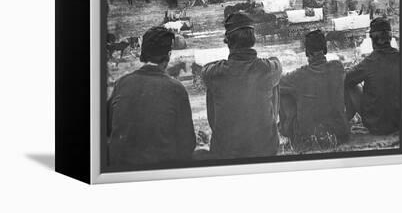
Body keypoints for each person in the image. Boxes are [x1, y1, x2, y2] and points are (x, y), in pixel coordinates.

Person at [107, 27, 196, 169]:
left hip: (119, 168)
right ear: (168, 54)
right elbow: (188, 143)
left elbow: (108, 129)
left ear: (144, 52)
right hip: (159, 170)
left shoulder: (122, 83)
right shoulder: (176, 89)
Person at [201, 12, 281, 159]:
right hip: (265, 149)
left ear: (228, 41)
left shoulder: (214, 72)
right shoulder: (268, 68)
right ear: (253, 39)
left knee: (214, 87)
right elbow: (276, 62)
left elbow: (204, 70)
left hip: (226, 151)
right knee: (274, 82)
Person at [279, 29, 349, 150]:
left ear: (306, 52)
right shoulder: (338, 67)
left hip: (310, 137)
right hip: (340, 134)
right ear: (325, 49)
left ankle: (285, 129)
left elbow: (277, 84)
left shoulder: (298, 76)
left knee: (285, 94)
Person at [345, 17, 400, 135]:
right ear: (390, 37)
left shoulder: (369, 62)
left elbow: (346, 81)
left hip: (376, 124)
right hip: (400, 122)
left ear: (372, 39)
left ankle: (343, 120)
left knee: (352, 86)